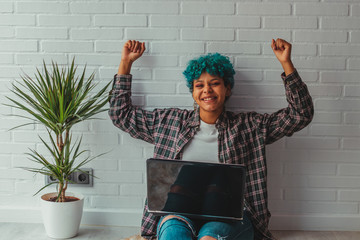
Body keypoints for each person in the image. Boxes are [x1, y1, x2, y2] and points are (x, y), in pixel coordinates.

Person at [109, 39, 314, 240]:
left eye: (215, 83)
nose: (207, 90)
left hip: (230, 216)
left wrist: (286, 64)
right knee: (173, 234)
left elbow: (300, 114)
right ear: (193, 93)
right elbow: (121, 115)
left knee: (210, 237)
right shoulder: (168, 122)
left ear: (227, 89)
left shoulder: (250, 126)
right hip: (178, 211)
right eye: (200, 85)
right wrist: (126, 63)